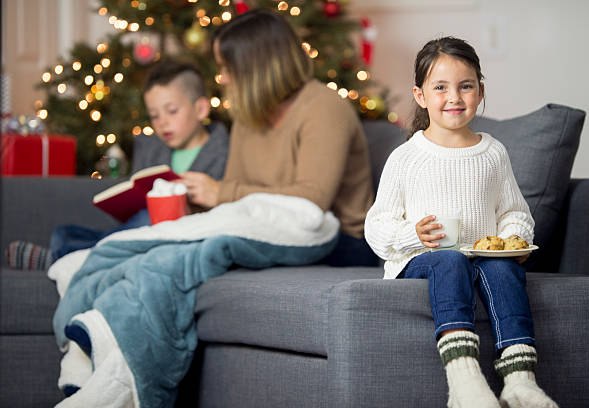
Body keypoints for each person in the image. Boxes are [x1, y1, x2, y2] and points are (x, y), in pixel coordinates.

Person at [364, 37, 558, 408]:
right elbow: (376, 225)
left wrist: (513, 238)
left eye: (465, 86)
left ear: (480, 90)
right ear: (420, 95)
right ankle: (464, 381)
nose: (454, 97)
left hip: (482, 259)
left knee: (502, 270)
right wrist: (411, 234)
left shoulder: (492, 152)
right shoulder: (407, 157)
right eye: (440, 87)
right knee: (450, 259)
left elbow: (513, 212)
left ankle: (520, 381)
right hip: (423, 260)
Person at [180, 8, 378, 266]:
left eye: (228, 67)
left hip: (340, 239)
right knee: (184, 241)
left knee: (208, 250)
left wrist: (222, 193)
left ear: (258, 68)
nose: (223, 77)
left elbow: (312, 203)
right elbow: (234, 192)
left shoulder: (324, 107)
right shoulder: (247, 114)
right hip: (270, 228)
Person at [5, 59, 229, 269]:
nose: (163, 123)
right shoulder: (151, 148)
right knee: (64, 233)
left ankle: (64, 258)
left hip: (185, 238)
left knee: (146, 220)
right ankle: (76, 254)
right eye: (154, 115)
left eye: (171, 111)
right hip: (141, 235)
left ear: (200, 109)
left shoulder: (225, 152)